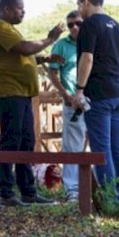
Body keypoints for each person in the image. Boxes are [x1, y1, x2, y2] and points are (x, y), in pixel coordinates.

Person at [0, 0, 65, 207]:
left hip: (21, 93)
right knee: (11, 140)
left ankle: (28, 192)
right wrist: (51, 39)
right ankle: (6, 193)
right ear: (6, 9)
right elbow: (25, 48)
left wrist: (46, 58)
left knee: (26, 141)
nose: (23, 12)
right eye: (19, 8)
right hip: (8, 92)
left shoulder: (12, 30)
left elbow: (24, 56)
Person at [72, 0, 119, 201]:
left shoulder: (89, 25)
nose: (78, 9)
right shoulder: (117, 26)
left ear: (86, 0)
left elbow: (87, 58)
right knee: (118, 147)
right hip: (118, 92)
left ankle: (109, 198)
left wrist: (79, 90)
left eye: (79, 3)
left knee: (101, 148)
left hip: (98, 95)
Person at [47, 10, 86, 203]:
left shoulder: (92, 41)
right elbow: (53, 74)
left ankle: (103, 186)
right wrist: (67, 96)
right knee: (72, 147)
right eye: (70, 25)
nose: (75, 27)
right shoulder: (60, 45)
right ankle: (73, 189)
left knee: (99, 144)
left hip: (94, 100)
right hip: (72, 102)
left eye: (78, 23)